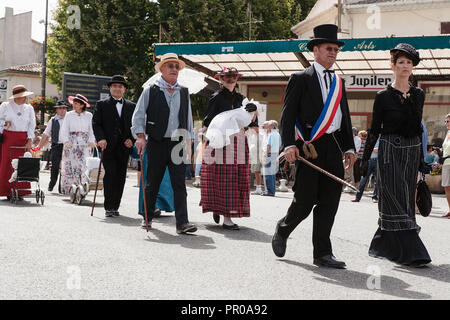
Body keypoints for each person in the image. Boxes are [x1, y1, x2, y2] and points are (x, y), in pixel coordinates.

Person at [271, 24, 355, 269]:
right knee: (305, 201)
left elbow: (344, 117)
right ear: (315, 51)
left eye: (336, 49)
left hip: (332, 146)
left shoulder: (338, 82)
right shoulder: (300, 78)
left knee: (330, 202)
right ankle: (283, 229)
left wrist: (349, 147)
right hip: (309, 146)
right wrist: (288, 145)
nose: (333, 52)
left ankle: (322, 253)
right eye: (329, 48)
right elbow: (288, 115)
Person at [361, 43, 431, 267]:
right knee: (394, 196)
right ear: (393, 65)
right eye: (401, 62)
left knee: (406, 200)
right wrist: (364, 160)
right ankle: (413, 251)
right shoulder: (382, 96)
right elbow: (374, 129)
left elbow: (418, 128)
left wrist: (421, 159)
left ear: (413, 67)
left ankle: (384, 244)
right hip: (389, 148)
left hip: (411, 150)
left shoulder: (419, 94)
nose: (405, 66)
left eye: (409, 63)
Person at [132, 53, 197, 234]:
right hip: (156, 141)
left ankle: (182, 223)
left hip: (177, 142)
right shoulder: (151, 90)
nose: (174, 69)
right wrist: (140, 136)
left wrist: (189, 142)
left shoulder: (184, 92)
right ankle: (147, 218)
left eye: (176, 67)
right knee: (152, 182)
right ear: (162, 69)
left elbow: (188, 118)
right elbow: (138, 115)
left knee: (179, 183)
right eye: (170, 66)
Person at [200, 66, 257, 230]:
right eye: (227, 77)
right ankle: (225, 216)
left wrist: (253, 113)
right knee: (222, 179)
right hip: (221, 142)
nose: (230, 79)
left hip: (239, 141)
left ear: (237, 79)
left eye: (233, 76)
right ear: (221, 79)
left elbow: (250, 122)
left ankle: (225, 212)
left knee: (236, 178)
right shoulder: (216, 97)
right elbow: (207, 121)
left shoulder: (242, 98)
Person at [92, 75, 136, 217]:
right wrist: (101, 139)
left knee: (121, 176)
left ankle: (116, 206)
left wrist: (132, 139)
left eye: (120, 86)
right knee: (110, 174)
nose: (117, 88)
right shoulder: (101, 104)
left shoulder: (131, 106)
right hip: (107, 146)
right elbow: (96, 123)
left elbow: (135, 126)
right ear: (110, 88)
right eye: (114, 86)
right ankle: (109, 206)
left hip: (124, 147)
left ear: (124, 89)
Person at [0, 85, 36, 199]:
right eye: (22, 96)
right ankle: (6, 190)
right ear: (16, 97)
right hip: (9, 137)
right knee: (7, 163)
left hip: (23, 138)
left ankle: (20, 191)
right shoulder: (5, 106)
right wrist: (5, 124)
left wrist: (30, 139)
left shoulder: (29, 108)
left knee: (22, 163)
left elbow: (32, 124)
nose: (25, 98)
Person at [60, 94, 96, 195]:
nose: (74, 105)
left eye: (76, 104)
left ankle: (83, 186)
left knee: (84, 164)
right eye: (74, 103)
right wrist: (66, 141)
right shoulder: (69, 114)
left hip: (85, 142)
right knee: (71, 164)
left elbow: (91, 129)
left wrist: (92, 140)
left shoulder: (89, 115)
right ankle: (71, 188)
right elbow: (64, 129)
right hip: (72, 142)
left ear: (82, 105)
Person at [36, 100, 69, 192]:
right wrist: (39, 146)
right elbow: (46, 134)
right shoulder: (53, 120)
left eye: (64, 108)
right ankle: (52, 183)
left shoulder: (70, 118)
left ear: (66, 109)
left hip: (67, 147)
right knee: (54, 166)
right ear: (57, 110)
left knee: (65, 167)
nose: (62, 110)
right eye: (60, 108)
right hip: (56, 146)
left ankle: (61, 187)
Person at [351, 139, 379, 203]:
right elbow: (366, 149)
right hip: (368, 161)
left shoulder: (381, 139)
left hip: (378, 161)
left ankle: (375, 197)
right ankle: (357, 197)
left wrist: (376, 149)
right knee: (363, 179)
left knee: (377, 181)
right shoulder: (370, 139)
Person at [262, 120, 282, 196]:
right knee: (272, 173)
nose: (268, 127)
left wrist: (265, 155)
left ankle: (269, 191)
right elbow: (280, 146)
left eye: (269, 125)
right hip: (275, 154)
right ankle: (272, 191)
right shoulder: (278, 134)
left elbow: (269, 146)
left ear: (273, 126)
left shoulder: (271, 134)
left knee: (268, 173)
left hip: (269, 154)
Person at [248, 124, 264, 195]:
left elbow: (260, 146)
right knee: (255, 172)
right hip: (253, 156)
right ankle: (258, 188)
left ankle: (259, 189)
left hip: (258, 156)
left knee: (257, 172)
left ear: (257, 128)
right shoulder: (253, 136)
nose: (252, 129)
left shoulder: (260, 136)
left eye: (253, 128)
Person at [441, 114, 450, 218]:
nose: (446, 123)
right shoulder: (447, 132)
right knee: (447, 187)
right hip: (445, 163)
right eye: (445, 121)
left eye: (448, 121)